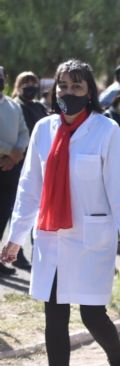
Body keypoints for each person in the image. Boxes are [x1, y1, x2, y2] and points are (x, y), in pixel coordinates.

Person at [0, 59, 120, 366]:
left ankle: (119, 362)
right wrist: (15, 238)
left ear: (90, 91)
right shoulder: (43, 129)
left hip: (91, 237)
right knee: (54, 316)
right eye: (63, 86)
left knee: (92, 315)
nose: (68, 93)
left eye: (77, 86)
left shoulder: (106, 130)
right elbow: (29, 187)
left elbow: (119, 189)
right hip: (52, 237)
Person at [10, 71, 49, 271]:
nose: (30, 86)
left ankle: (37, 253)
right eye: (26, 83)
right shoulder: (15, 106)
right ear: (18, 85)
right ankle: (15, 252)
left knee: (39, 209)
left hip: (41, 165)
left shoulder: (39, 107)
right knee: (20, 209)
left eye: (34, 82)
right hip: (18, 164)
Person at [0, 66, 30, 276]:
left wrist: (15, 155)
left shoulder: (12, 106)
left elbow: (24, 132)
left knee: (3, 215)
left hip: (10, 169)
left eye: (1, 77)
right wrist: (10, 151)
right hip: (8, 160)